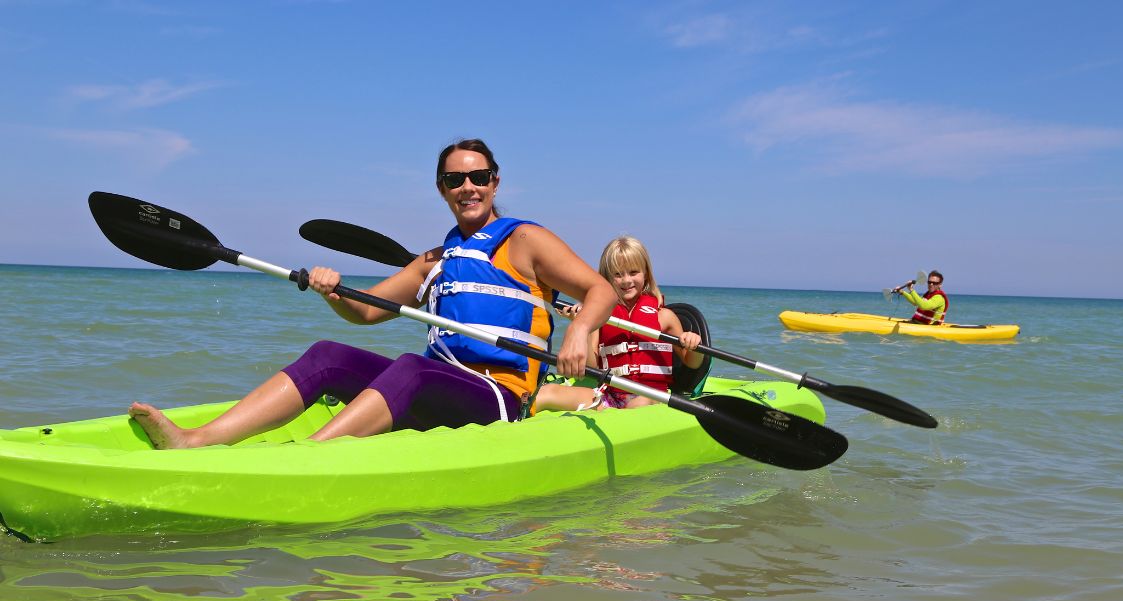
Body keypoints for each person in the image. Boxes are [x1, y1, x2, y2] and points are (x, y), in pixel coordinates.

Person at [128, 138, 617, 449]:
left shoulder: (526, 239)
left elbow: (600, 290)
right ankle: (197, 441)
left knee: (411, 366)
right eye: (455, 180)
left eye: (478, 177)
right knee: (327, 355)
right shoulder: (435, 260)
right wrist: (332, 291)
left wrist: (578, 330)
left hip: (502, 397)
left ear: (495, 182)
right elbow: (365, 311)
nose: (468, 187)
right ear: (441, 189)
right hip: (438, 389)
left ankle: (310, 457)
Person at [534, 235, 704, 412]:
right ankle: (510, 420)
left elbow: (692, 362)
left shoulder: (665, 317)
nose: (626, 281)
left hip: (653, 397)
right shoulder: (599, 317)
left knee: (640, 403)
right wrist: (582, 325)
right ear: (607, 278)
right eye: (617, 274)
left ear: (645, 274)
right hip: (609, 397)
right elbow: (592, 366)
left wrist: (692, 344)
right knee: (548, 392)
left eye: (633, 272)